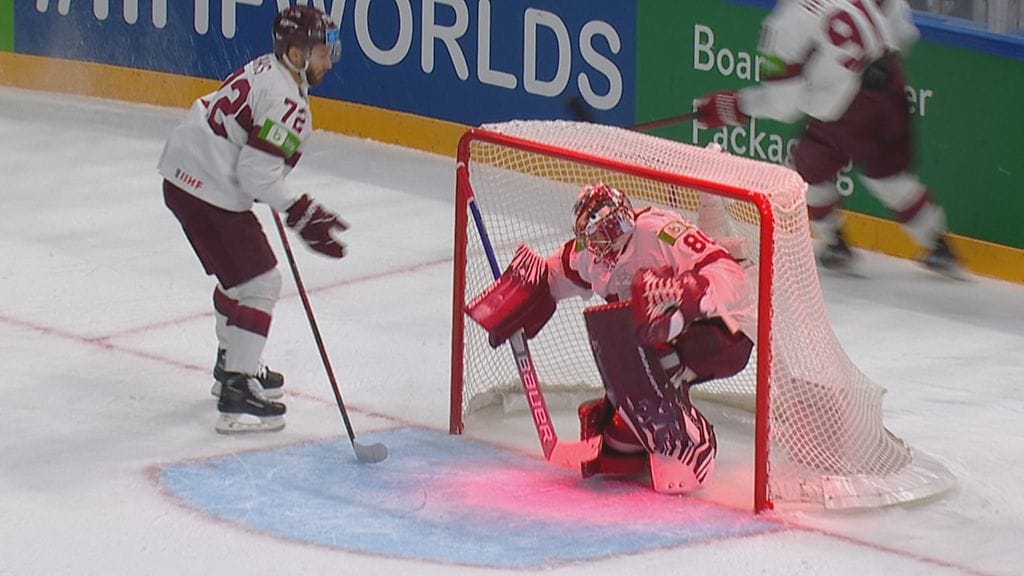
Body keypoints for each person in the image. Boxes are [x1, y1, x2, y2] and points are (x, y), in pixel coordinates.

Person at [467, 182, 756, 494]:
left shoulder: (660, 233)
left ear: (622, 220)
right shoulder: (591, 254)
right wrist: (523, 296)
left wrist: (691, 294)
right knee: (619, 445)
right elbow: (553, 273)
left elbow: (731, 274)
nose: (596, 244)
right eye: (592, 237)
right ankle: (651, 437)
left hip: (726, 332)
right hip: (659, 337)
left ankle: (693, 443)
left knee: (648, 317)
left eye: (604, 232)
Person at [158, 5, 347, 434]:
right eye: (321, 52)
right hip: (209, 186)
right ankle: (238, 392)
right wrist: (304, 213)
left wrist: (273, 189)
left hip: (182, 174)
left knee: (239, 280)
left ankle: (232, 365)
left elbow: (253, 159)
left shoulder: (267, 68)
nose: (328, 61)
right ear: (296, 53)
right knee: (261, 282)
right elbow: (255, 173)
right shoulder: (287, 101)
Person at [695, 0, 963, 276]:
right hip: (892, 84)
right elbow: (903, 32)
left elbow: (784, 106)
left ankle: (835, 243)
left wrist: (735, 106)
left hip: (848, 109)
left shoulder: (783, 26)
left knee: (806, 171)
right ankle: (939, 245)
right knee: (887, 178)